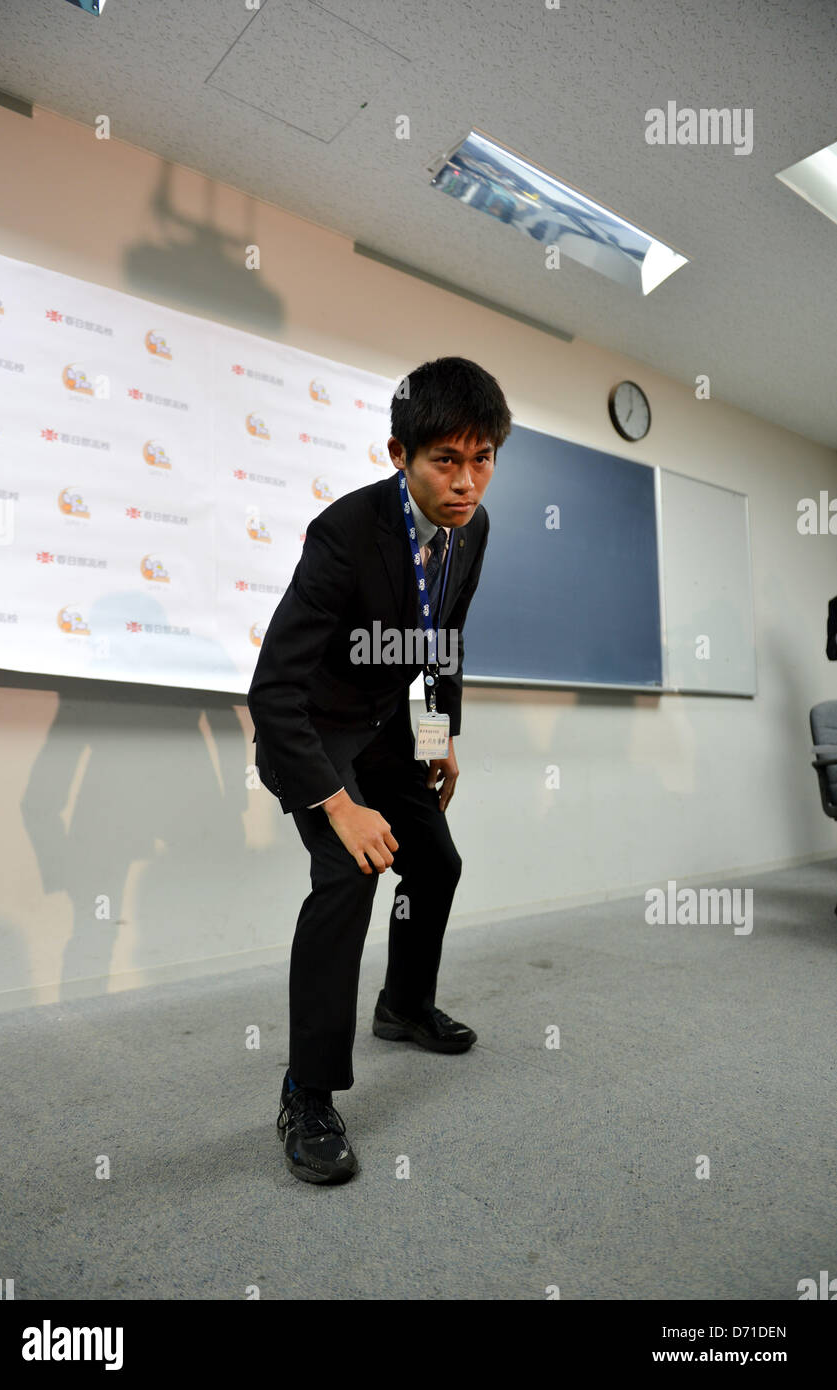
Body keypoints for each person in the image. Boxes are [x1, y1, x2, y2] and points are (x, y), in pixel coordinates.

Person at [247, 355, 512, 1184]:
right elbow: (272, 692)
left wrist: (439, 740)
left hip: (385, 725)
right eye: (446, 461)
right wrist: (337, 804)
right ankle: (307, 1093)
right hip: (312, 730)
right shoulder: (346, 533)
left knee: (436, 861)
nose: (467, 482)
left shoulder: (472, 531)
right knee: (349, 873)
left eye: (483, 459)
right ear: (399, 453)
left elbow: (440, 644)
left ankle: (401, 1006)